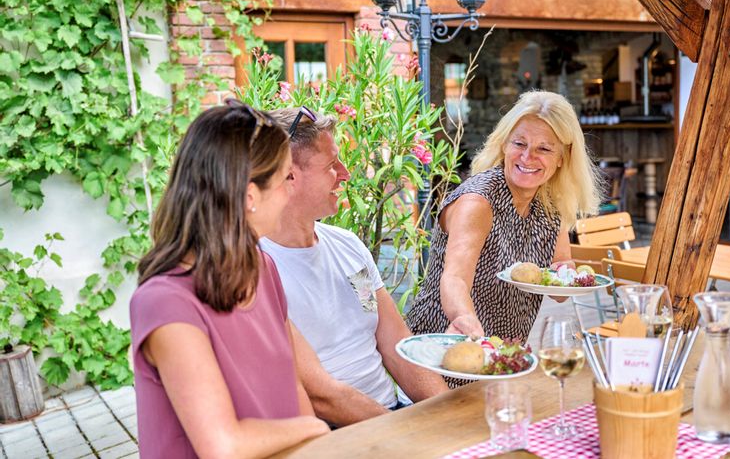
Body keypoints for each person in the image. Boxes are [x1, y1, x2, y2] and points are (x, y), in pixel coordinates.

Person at [130, 102, 329, 457]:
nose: (290, 192)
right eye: (286, 178)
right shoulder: (165, 302)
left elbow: (291, 387)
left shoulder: (262, 268)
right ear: (250, 197)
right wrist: (313, 428)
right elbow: (222, 445)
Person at [259, 106, 448, 427]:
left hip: (387, 413)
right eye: (332, 165)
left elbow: (397, 345)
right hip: (330, 433)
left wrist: (450, 414)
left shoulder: (347, 245)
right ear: (289, 175)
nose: (346, 174)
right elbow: (320, 397)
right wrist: (401, 433)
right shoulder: (254, 269)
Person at [407, 90, 601, 344]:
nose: (527, 157)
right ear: (504, 143)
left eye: (543, 148)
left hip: (505, 349)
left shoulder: (551, 203)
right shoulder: (478, 201)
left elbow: (561, 272)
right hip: (447, 342)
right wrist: (464, 318)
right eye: (519, 143)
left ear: (562, 158)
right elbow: (454, 277)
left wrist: (568, 277)